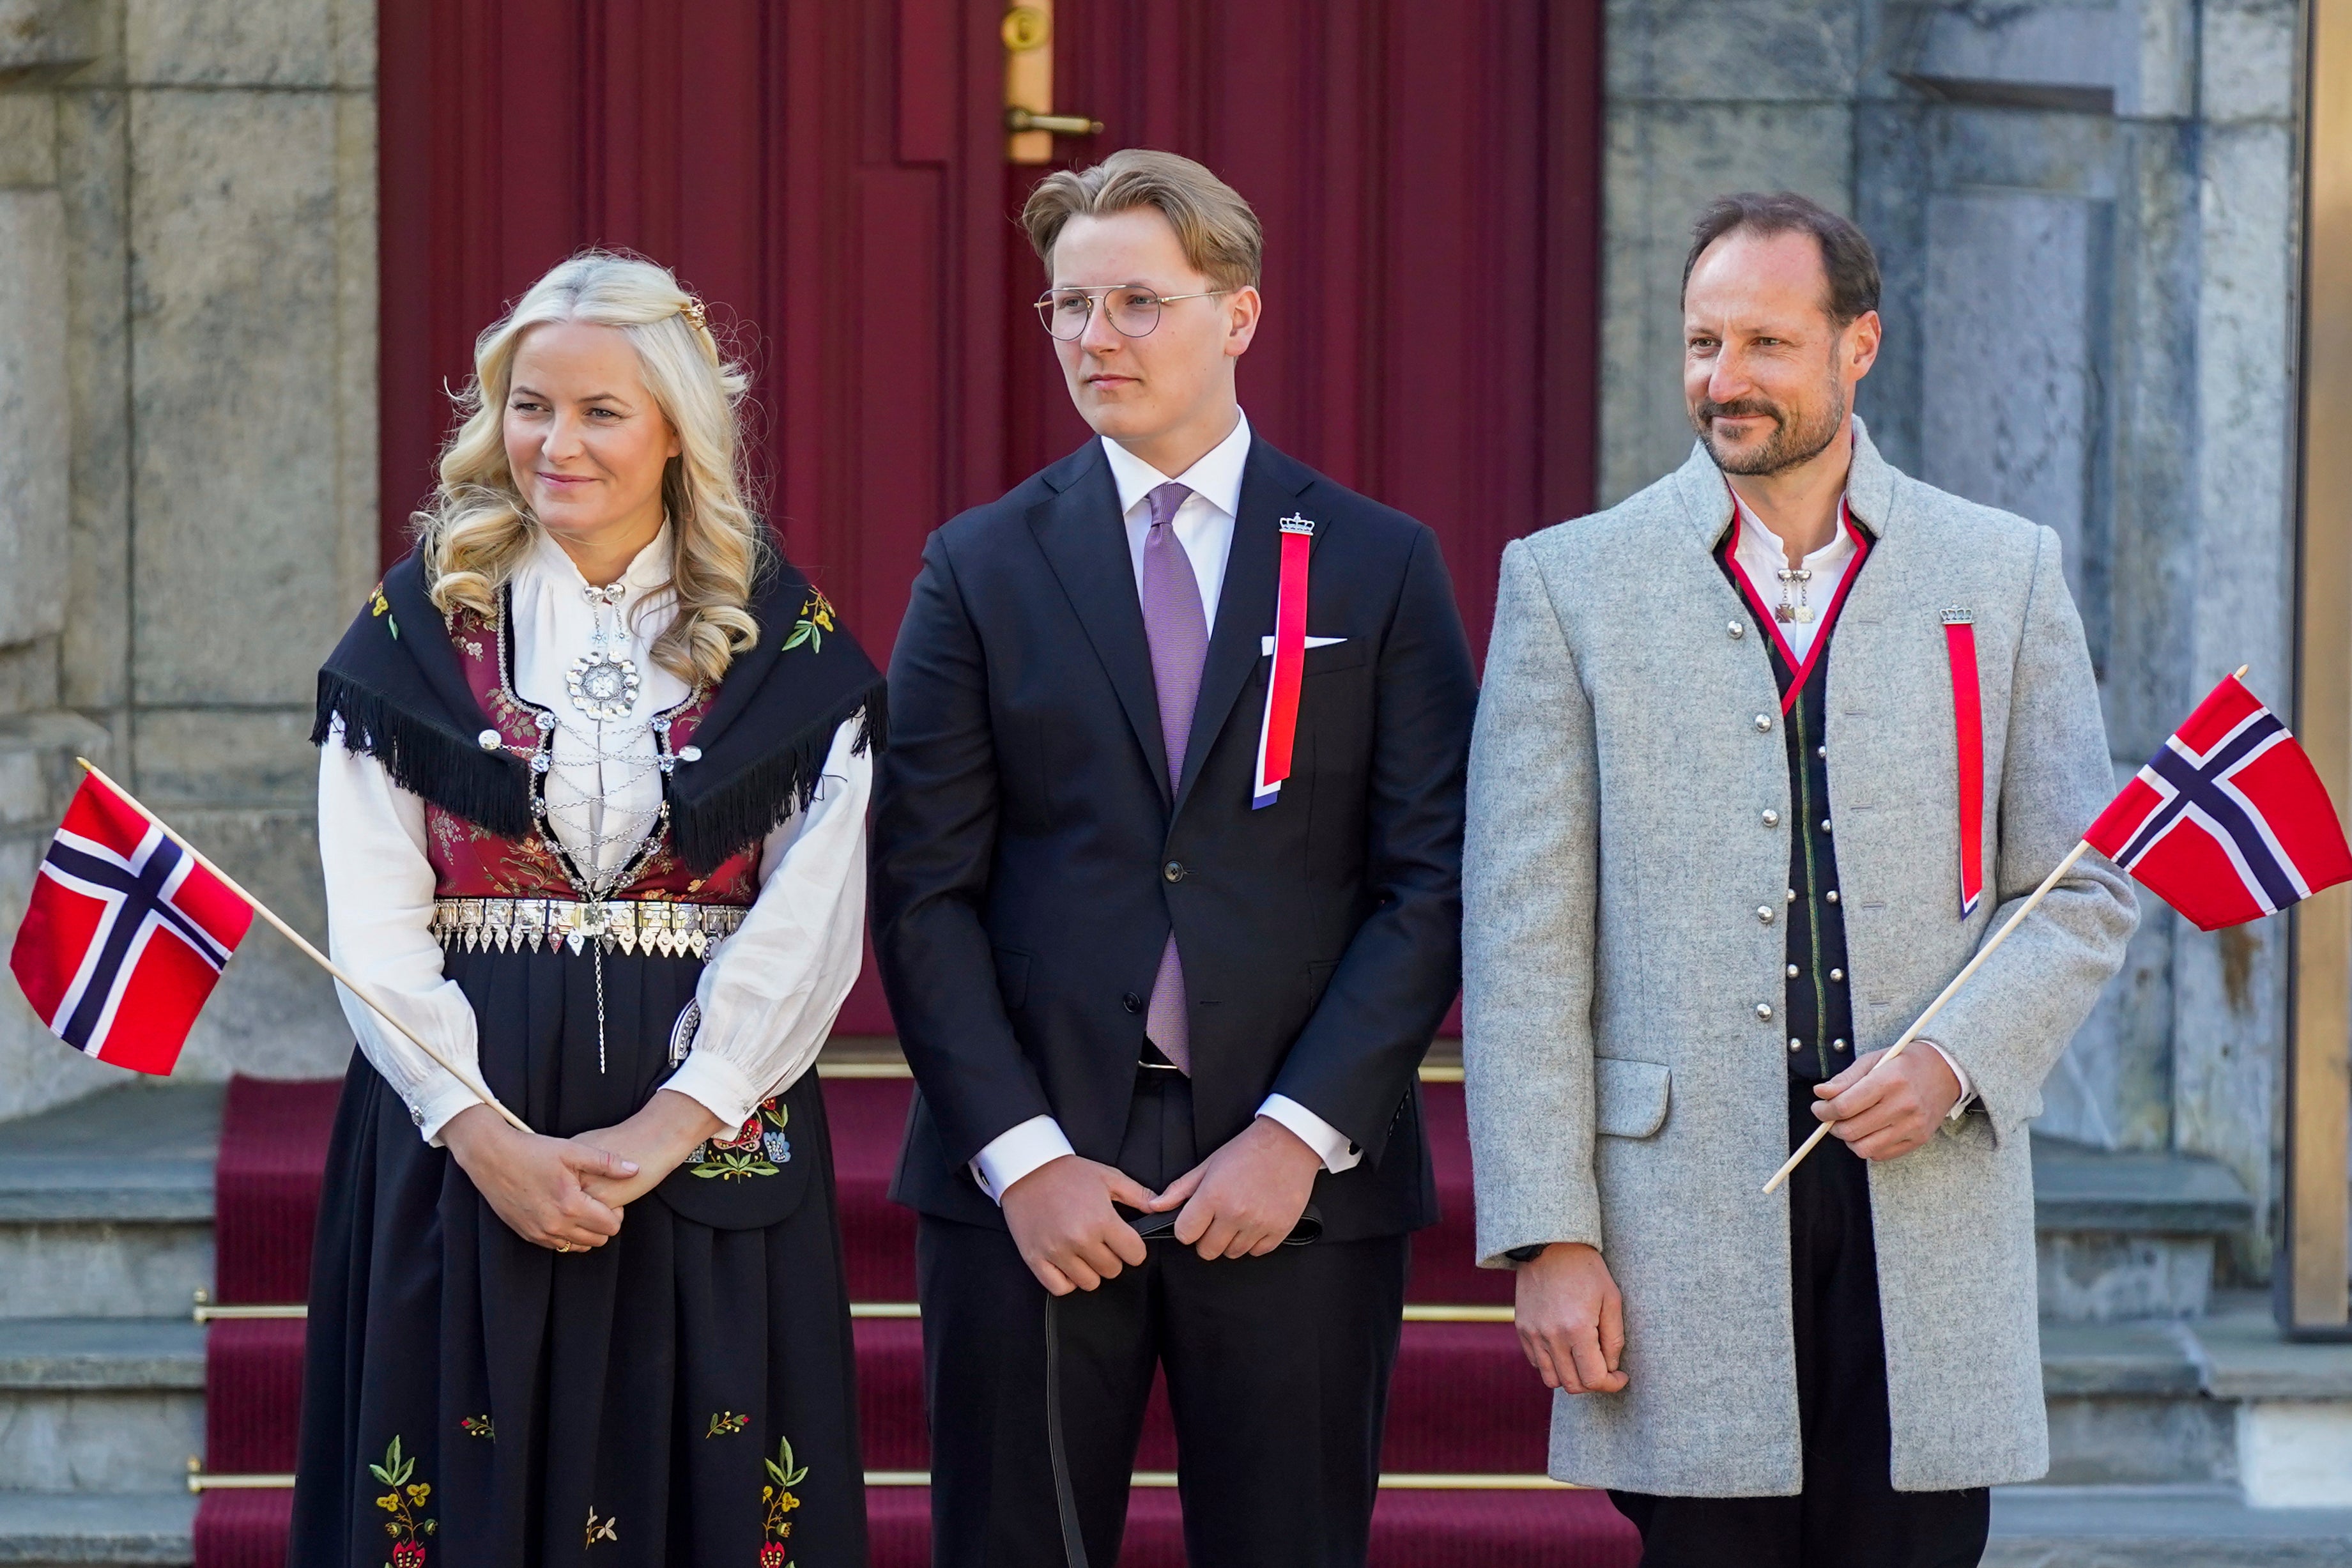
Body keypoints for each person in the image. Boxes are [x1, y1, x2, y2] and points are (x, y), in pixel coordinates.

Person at [1462, 192, 2139, 1567]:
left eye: (1766, 343)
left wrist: (1952, 1058)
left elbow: (2077, 884)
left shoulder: (1998, 573)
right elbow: (1522, 936)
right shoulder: (1568, 586)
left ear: (1856, 347)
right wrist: (1546, 1233)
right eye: (1701, 343)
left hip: (1924, 1187)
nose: (1724, 381)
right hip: (1681, 1211)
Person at [870, 149, 1477, 1568]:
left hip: (1291, 1180)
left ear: (1237, 315)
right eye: (1067, 307)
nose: (1094, 339)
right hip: (1035, 1177)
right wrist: (1022, 1158)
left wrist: (1297, 1135)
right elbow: (922, 890)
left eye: (1136, 302)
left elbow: (1431, 877)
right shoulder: (979, 567)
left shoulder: (1376, 565)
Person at [291, 252, 880, 1567]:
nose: (556, 442)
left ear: (676, 427)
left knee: (708, 1486)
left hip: (709, 1117)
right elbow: (375, 920)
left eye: (601, 410)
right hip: (460, 1111)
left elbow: (811, 916)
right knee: (454, 1486)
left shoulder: (782, 645)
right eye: (529, 405)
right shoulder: (413, 634)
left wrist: (679, 1117)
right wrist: (483, 1133)